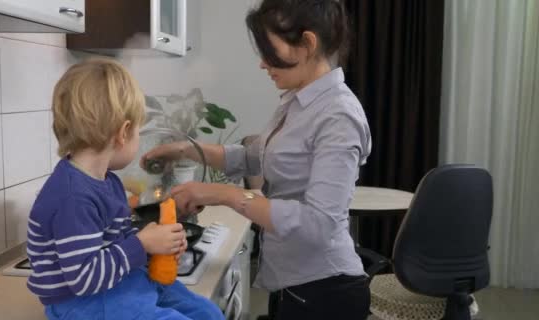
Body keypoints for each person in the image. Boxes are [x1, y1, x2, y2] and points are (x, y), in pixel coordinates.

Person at [141, 0, 372, 319]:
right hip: (295, 284)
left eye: (269, 49)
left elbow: (319, 224)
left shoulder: (338, 116)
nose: (263, 63)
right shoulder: (298, 103)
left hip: (324, 290)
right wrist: (185, 149)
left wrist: (223, 194)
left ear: (307, 44)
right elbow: (253, 156)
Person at [26, 58, 224, 320]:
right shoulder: (72, 197)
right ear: (124, 132)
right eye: (139, 130)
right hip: (84, 303)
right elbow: (84, 279)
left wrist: (156, 245)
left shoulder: (107, 181)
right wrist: (142, 244)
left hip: (120, 284)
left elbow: (117, 238)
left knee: (207, 313)